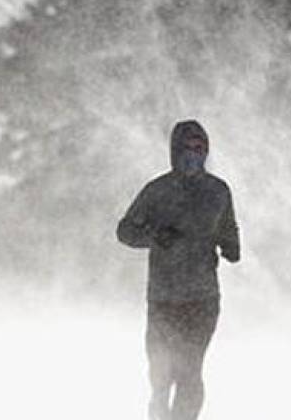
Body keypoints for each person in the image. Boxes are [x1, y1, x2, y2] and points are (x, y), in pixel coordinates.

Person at [117, 119, 241, 420]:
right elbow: (124, 230)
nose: (193, 155)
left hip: (202, 299)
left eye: (199, 149)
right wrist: (154, 235)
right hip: (163, 299)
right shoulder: (158, 191)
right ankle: (158, 413)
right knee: (161, 376)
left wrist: (231, 246)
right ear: (175, 151)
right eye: (187, 148)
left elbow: (227, 227)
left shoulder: (218, 191)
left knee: (189, 370)